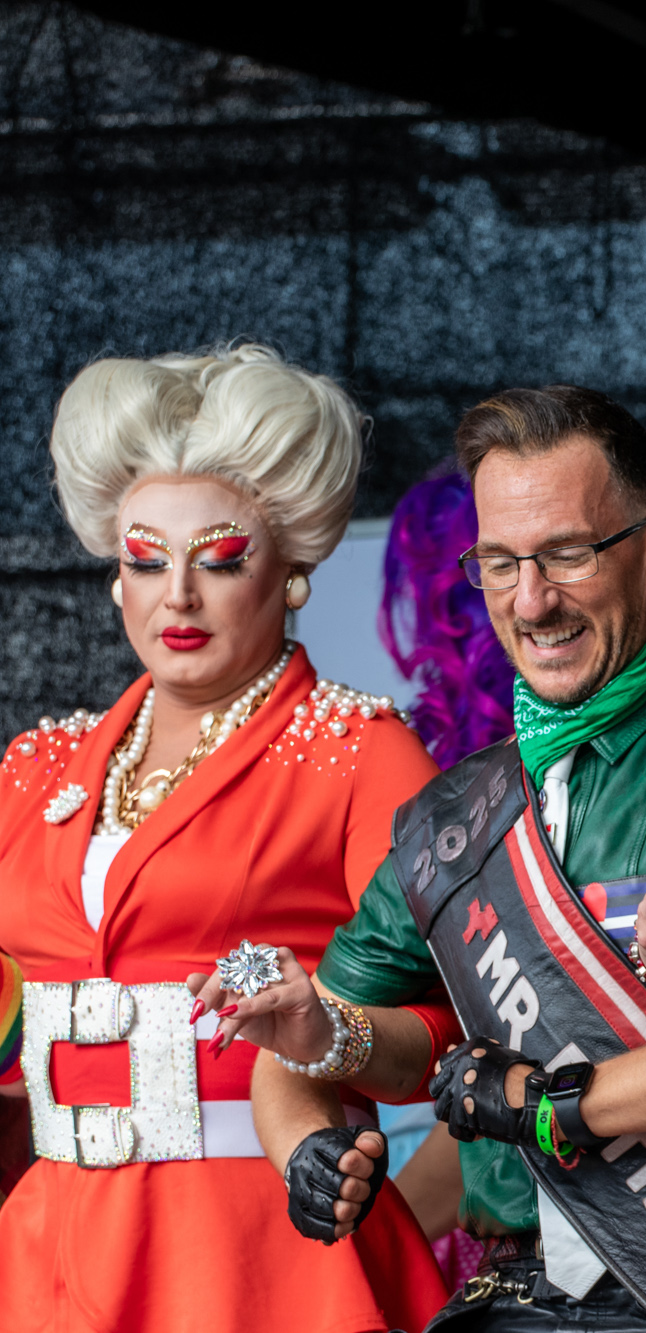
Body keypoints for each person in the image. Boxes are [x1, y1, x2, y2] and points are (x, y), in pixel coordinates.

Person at [209, 386, 646, 1330]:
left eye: (567, 554)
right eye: (500, 562)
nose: (532, 600)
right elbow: (307, 1049)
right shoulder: (453, 813)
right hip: (508, 1298)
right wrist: (307, 1143)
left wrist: (563, 1104)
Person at [0, 344, 448, 1332]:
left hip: (261, 1251)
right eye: (145, 558)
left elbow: (454, 1026)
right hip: (48, 1252)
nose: (178, 594)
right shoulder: (33, 768)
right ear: (115, 576)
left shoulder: (361, 752)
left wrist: (328, 1035)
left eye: (220, 558)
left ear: (292, 570)